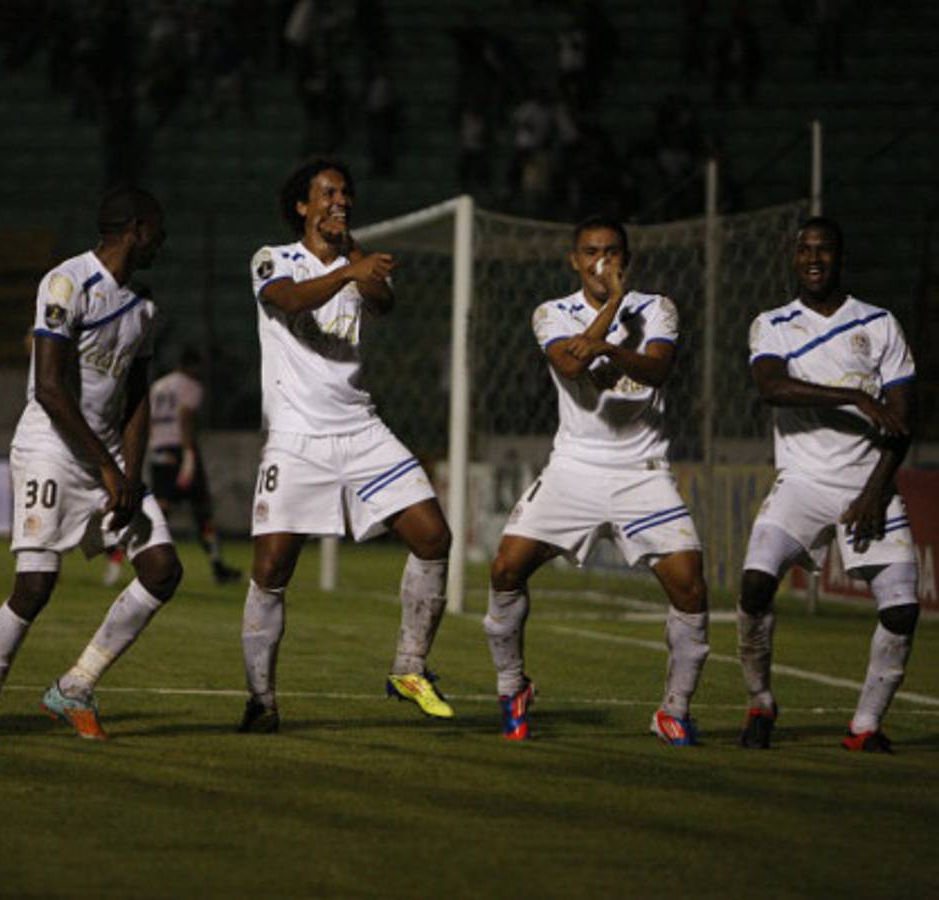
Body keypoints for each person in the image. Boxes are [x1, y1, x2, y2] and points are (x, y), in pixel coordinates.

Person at [0, 185, 181, 742]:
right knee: (35, 583)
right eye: (158, 229)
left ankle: (75, 685)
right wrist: (107, 467)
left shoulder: (144, 306)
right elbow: (50, 389)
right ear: (136, 229)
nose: (163, 240)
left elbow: (135, 397)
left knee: (162, 570)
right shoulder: (66, 282)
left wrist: (129, 473)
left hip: (105, 456)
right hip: (51, 449)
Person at [239, 157, 454, 733]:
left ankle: (409, 668)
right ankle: (262, 700)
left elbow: (383, 302)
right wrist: (349, 270)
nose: (340, 200)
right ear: (303, 206)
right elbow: (289, 301)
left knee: (434, 536)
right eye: (327, 193)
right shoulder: (272, 258)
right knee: (271, 569)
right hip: (296, 437)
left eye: (346, 193)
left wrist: (355, 263)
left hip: (361, 430)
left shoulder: (361, 264)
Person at [484, 215, 709, 744]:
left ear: (625, 259)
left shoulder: (658, 308)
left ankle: (674, 709)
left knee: (690, 587)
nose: (600, 261)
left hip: (641, 472)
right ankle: (512, 687)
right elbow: (568, 364)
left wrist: (608, 344)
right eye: (590, 252)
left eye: (610, 252)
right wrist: (610, 308)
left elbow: (656, 370)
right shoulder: (551, 312)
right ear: (574, 260)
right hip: (574, 470)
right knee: (505, 568)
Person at [737, 217, 917, 753]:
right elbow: (771, 387)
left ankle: (865, 726)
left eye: (824, 250)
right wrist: (855, 397)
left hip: (868, 483)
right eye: (804, 250)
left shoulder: (881, 324)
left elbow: (904, 420)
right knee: (753, 587)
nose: (814, 259)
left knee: (902, 609)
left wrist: (875, 491)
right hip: (801, 482)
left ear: (841, 257)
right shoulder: (772, 323)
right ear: (794, 259)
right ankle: (761, 703)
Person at [146, 347, 242, 585]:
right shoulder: (190, 386)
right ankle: (217, 566)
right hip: (179, 449)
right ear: (193, 366)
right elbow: (185, 416)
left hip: (157, 450)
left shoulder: (158, 386)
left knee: (161, 510)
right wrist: (189, 454)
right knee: (202, 510)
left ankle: (148, 561)